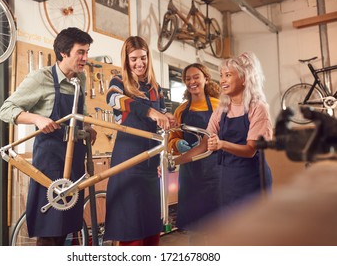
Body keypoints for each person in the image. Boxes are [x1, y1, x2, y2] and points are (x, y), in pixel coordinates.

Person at [0, 27, 97, 246]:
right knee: (51, 228)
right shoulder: (40, 78)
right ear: (64, 52)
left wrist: (88, 126)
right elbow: (6, 110)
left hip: (74, 161)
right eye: (81, 52)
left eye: (87, 52)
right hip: (50, 162)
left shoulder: (80, 79)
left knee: (67, 225)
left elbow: (82, 112)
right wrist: (36, 118)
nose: (85, 58)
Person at [173, 52, 273, 210]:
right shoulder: (222, 109)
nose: (223, 81)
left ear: (244, 78)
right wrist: (174, 162)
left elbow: (250, 151)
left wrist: (221, 144)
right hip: (226, 179)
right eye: (221, 75)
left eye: (228, 75)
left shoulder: (258, 107)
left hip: (252, 179)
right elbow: (204, 145)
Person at [104, 36, 176, 246]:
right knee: (132, 230)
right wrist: (149, 111)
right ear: (126, 60)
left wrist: (167, 119)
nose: (139, 63)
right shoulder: (119, 83)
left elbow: (162, 122)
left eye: (143, 58)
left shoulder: (156, 88)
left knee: (151, 230)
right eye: (134, 59)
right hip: (128, 165)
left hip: (150, 166)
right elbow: (112, 99)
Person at [168, 63, 221, 235]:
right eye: (188, 79)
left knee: (217, 226)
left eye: (196, 77)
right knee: (194, 229)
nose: (192, 81)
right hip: (190, 174)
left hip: (215, 173)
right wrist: (178, 145)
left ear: (206, 78)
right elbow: (172, 139)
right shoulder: (181, 110)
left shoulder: (219, 106)